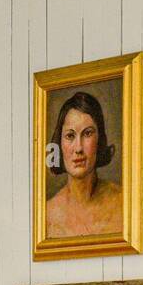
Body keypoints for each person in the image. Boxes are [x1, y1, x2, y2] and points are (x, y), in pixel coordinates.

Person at [45, 91, 123, 238]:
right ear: (59, 143)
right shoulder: (48, 214)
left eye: (87, 134)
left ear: (99, 140)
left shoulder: (123, 203)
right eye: (70, 136)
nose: (78, 148)